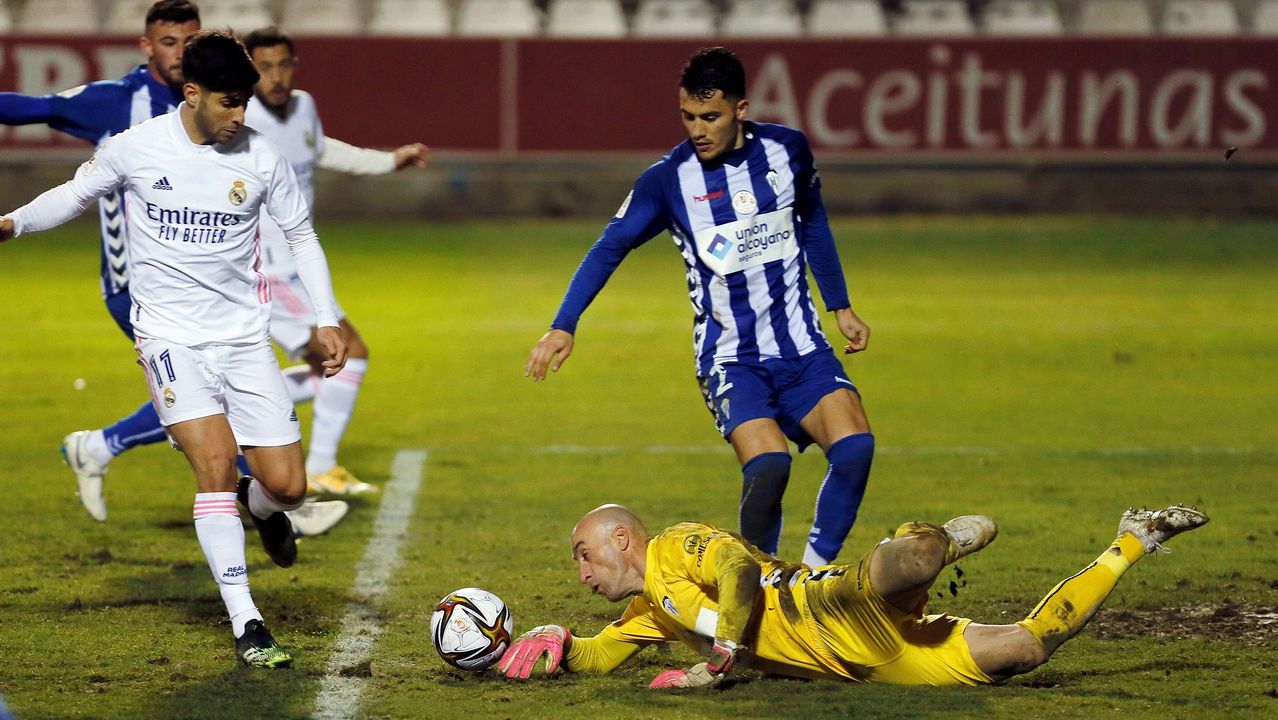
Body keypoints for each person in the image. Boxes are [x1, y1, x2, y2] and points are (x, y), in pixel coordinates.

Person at [0, 31, 348, 668]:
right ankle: (248, 623)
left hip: (244, 340)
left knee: (290, 488)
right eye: (229, 102)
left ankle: (261, 506)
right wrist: (13, 223)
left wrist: (325, 319)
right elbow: (74, 195)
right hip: (169, 338)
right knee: (213, 465)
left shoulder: (260, 156)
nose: (241, 115)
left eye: (245, 102)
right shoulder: (136, 149)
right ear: (192, 95)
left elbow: (301, 236)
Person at [525, 47, 874, 568]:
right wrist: (563, 325)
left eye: (710, 116)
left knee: (855, 450)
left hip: (801, 346)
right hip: (730, 357)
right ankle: (762, 578)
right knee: (769, 465)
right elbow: (609, 246)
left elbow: (814, 222)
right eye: (688, 116)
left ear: (741, 108)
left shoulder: (789, 151)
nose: (697, 129)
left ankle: (814, 576)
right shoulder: (668, 180)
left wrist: (840, 304)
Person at [498, 502, 1209, 687]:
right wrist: (558, 644)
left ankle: (940, 541)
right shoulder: (646, 615)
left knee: (917, 557)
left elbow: (742, 574)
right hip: (868, 662)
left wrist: (719, 659)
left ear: (622, 540)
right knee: (1026, 650)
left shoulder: (678, 548)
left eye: (583, 554)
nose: (581, 572)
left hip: (833, 604)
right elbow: (598, 658)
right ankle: (1134, 539)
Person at [241, 25, 430, 496]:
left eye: (284, 64)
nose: (276, 76)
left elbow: (319, 149)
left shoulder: (303, 105)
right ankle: (315, 462)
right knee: (345, 355)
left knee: (344, 359)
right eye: (264, 67)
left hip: (297, 265)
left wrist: (389, 161)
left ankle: (231, 410)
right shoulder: (239, 121)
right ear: (249, 70)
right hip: (265, 266)